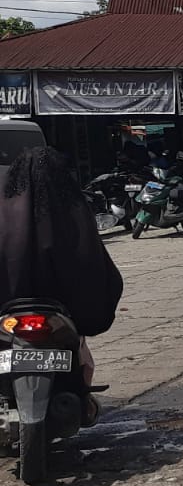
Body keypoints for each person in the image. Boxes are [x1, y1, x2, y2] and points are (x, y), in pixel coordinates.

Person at [0, 148, 124, 386]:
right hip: (61, 307)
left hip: (9, 305)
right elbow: (91, 260)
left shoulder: (6, 211)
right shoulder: (72, 210)